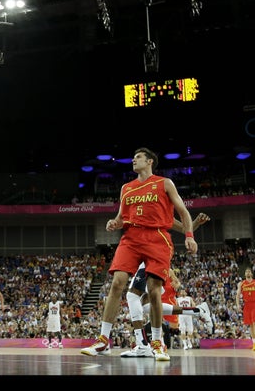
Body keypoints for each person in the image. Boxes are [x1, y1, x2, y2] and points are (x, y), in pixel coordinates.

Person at [80, 147, 197, 361]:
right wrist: (114, 223)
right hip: (131, 238)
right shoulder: (126, 188)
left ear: (150, 161)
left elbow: (183, 211)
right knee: (117, 283)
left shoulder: (164, 183)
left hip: (157, 238)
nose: (134, 161)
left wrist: (189, 235)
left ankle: (157, 342)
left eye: (138, 157)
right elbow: (121, 217)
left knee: (153, 290)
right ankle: (103, 339)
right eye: (133, 158)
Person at [120, 213, 213, 357]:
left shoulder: (158, 210)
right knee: (146, 307)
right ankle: (197, 311)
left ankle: (142, 344)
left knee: (132, 296)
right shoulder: (137, 208)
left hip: (154, 254)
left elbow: (184, 228)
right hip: (148, 256)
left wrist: (195, 224)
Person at [236, 267, 255, 351]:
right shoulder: (241, 284)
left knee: (254, 323)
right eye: (246, 272)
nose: (247, 273)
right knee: (251, 325)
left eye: (249, 272)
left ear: (251, 274)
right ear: (244, 274)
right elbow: (237, 295)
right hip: (247, 305)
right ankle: (254, 343)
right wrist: (237, 305)